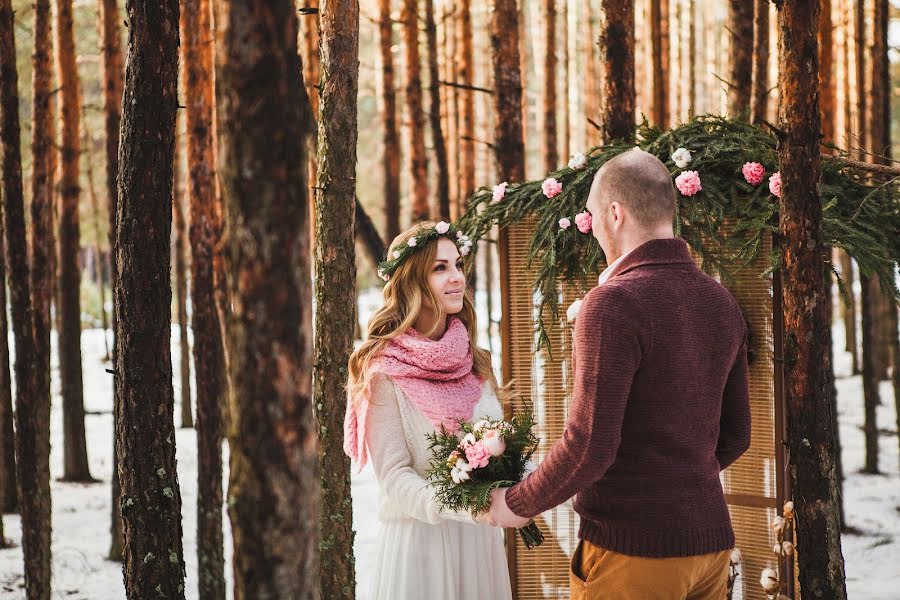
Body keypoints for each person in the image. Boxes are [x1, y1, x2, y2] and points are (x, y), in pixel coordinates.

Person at [487, 148, 752, 600]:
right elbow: (736, 436)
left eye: (591, 218)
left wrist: (515, 504)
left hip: (634, 553)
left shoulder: (612, 304)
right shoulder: (719, 301)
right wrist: (677, 479)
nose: (593, 233)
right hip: (710, 548)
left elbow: (589, 445)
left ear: (615, 213)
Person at [344, 221, 512, 600]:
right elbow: (395, 478)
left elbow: (501, 448)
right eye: (440, 268)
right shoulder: (383, 372)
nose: (456, 277)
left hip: (480, 547)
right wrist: (465, 507)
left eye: (457, 265)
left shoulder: (476, 361)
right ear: (411, 282)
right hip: (421, 549)